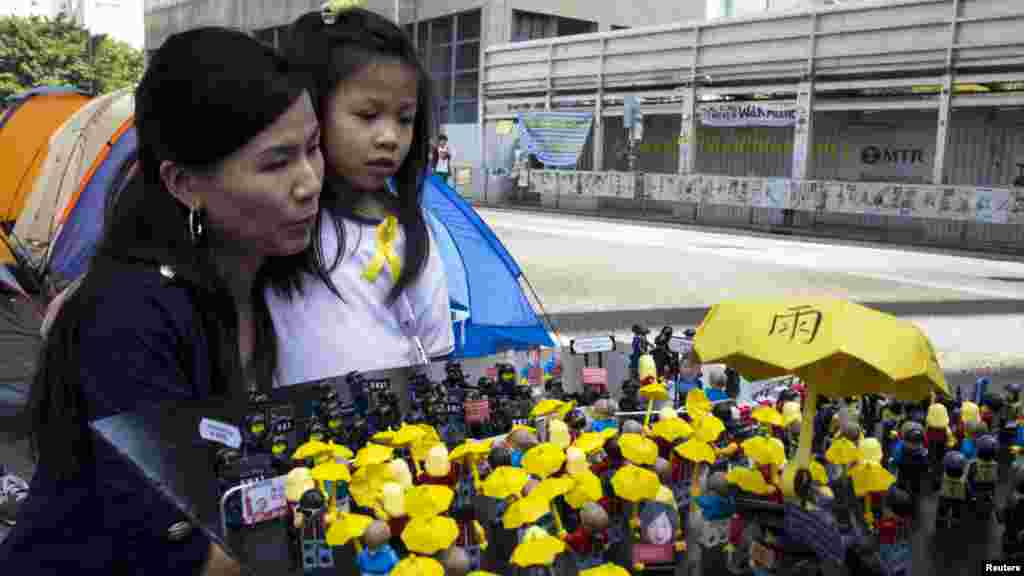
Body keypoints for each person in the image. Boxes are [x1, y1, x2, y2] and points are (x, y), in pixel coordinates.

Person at [2, 28, 329, 574]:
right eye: (276, 163)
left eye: (313, 148)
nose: (309, 182)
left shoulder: (274, 278)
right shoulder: (129, 318)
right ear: (184, 184)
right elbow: (179, 553)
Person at [272, 6, 454, 382]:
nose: (389, 137)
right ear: (310, 111)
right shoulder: (279, 224)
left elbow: (436, 348)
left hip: (396, 428)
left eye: (404, 119)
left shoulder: (411, 229)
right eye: (368, 115)